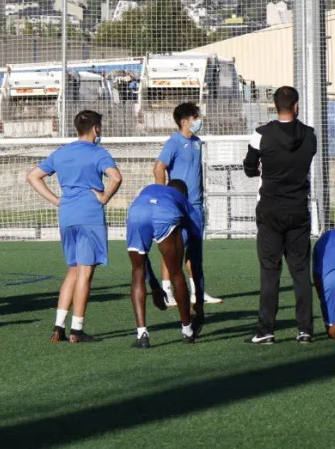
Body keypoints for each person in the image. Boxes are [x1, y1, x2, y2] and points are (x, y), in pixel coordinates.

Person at [27, 110, 123, 343]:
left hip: (67, 215)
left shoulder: (62, 152)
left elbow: (33, 176)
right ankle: (77, 330)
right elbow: (116, 178)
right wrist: (104, 197)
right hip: (89, 215)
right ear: (96, 129)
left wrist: (56, 200)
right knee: (85, 273)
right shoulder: (98, 153)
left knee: (72, 270)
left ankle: (58, 327)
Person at [243, 86, 318, 344]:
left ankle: (265, 330)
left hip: (270, 210)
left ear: (275, 106)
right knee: (300, 271)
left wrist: (262, 168)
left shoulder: (262, 134)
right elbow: (303, 158)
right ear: (296, 105)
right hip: (298, 209)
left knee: (270, 271)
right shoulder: (310, 135)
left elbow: (249, 167)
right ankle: (305, 329)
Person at [153, 101, 222, 306]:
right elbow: (158, 168)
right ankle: (166, 292)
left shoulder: (197, 142)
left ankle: (197, 292)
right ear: (184, 122)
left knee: (194, 250)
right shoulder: (173, 142)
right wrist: (165, 198)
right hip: (178, 205)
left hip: (196, 206)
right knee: (173, 248)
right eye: (195, 118)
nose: (199, 121)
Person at [125, 180, 205, 348]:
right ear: (185, 195)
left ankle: (142, 335)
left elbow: (143, 260)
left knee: (137, 271)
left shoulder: (150, 189)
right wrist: (199, 304)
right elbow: (195, 258)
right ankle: (187, 331)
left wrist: (155, 286)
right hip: (165, 213)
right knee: (176, 273)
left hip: (137, 211)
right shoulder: (183, 202)